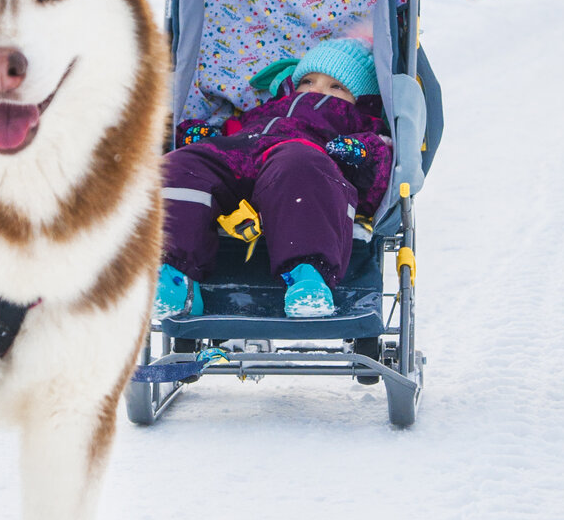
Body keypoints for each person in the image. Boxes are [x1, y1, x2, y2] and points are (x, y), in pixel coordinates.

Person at [155, 36, 393, 318]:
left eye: (336, 86)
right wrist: (199, 134)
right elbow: (233, 128)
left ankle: (308, 278)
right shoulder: (268, 108)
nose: (316, 90)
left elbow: (379, 171)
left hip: (301, 159)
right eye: (307, 81)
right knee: (180, 166)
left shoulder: (361, 122)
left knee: (302, 165)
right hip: (241, 150)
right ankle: (172, 277)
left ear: (362, 100)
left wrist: (362, 151)